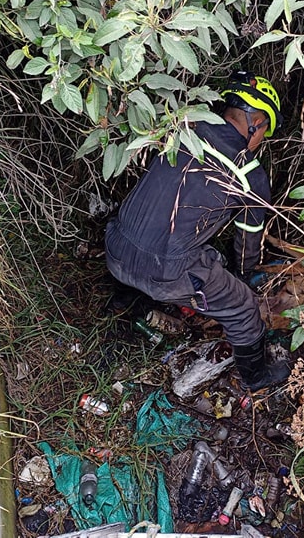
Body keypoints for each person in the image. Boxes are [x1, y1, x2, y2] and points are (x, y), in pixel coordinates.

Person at [104, 70, 291, 392]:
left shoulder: (183, 127)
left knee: (167, 243)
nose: (261, 141)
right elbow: (248, 240)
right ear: (255, 124)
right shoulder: (248, 173)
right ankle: (256, 377)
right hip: (165, 274)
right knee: (243, 307)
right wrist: (244, 275)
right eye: (264, 132)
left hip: (115, 249)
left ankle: (126, 300)